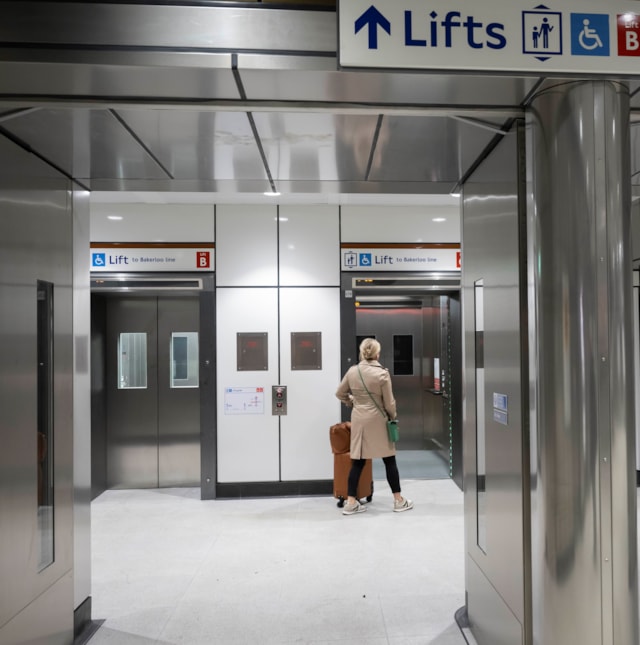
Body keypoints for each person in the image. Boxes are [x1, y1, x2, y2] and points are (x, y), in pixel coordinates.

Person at [335, 338, 414, 515]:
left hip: (359, 421)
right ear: (377, 354)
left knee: (358, 461)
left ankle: (351, 503)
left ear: (362, 353)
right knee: (389, 460)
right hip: (378, 420)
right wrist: (392, 417)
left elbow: (340, 393)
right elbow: (390, 403)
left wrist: (352, 402)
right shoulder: (382, 374)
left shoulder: (352, 371)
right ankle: (398, 500)